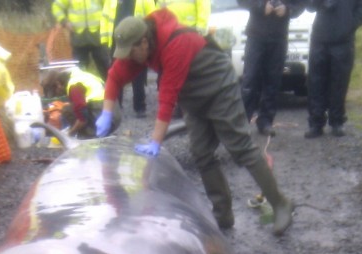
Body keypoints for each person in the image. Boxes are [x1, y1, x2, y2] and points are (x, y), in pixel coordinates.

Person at [95, 11, 295, 235]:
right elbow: (114, 76)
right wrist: (107, 113)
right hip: (192, 95)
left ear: (143, 42)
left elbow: (167, 97)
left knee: (240, 147)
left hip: (218, 85)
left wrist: (155, 142)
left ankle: (280, 204)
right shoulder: (140, 49)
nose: (129, 58)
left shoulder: (175, 43)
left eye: (130, 52)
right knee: (201, 152)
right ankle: (223, 214)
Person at [304, 0, 362, 137]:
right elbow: (309, 6)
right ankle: (316, 123)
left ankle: (337, 121)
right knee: (316, 82)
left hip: (343, 40)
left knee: (339, 81)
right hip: (320, 37)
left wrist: (350, 24)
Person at [239, 0, 306, 137]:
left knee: (273, 81)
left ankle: (266, 121)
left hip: (279, 37)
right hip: (256, 35)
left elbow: (301, 4)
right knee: (250, 80)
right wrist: (261, 7)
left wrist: (287, 10)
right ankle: (241, 123)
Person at [100, 0, 156, 115]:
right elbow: (105, 18)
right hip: (121, 42)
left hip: (138, 41)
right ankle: (117, 105)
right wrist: (106, 112)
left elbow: (153, 17)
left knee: (139, 79)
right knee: (119, 70)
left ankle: (139, 106)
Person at [41, 67, 113, 136]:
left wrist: (70, 133)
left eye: (56, 92)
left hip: (102, 115)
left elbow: (82, 119)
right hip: (111, 109)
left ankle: (89, 134)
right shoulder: (78, 75)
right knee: (71, 107)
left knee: (67, 110)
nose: (59, 94)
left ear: (58, 84)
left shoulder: (74, 86)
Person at [51, 0, 110, 79]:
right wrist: (64, 21)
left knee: (106, 69)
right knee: (79, 72)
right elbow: (56, 7)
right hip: (78, 38)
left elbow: (109, 5)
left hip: (98, 36)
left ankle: (110, 90)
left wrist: (106, 23)